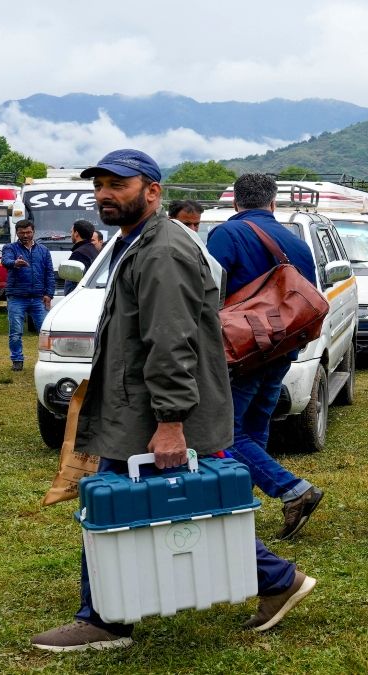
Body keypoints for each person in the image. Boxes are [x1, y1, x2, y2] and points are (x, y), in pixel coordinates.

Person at [30, 149, 315, 652]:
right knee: (177, 505)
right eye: (99, 185)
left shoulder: (162, 250)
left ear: (152, 191)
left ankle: (102, 619)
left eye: (118, 185)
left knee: (122, 502)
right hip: (135, 405)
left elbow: (171, 340)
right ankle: (274, 580)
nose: (105, 194)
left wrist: (170, 422)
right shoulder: (135, 243)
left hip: (150, 410)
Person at [206, 172, 325, 540]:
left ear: (235, 202)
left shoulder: (227, 234)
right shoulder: (296, 243)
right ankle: (240, 508)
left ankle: (293, 490)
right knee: (255, 428)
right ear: (273, 203)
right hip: (282, 350)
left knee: (223, 433)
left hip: (241, 352)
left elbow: (208, 290)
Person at [2, 219, 55, 371]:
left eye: (28, 232)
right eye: (22, 232)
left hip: (38, 298)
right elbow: (5, 261)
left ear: (33, 232)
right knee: (16, 332)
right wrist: (14, 263)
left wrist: (49, 294)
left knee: (45, 331)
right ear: (17, 233)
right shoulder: (10, 248)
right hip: (17, 297)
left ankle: (49, 358)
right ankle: (17, 360)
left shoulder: (43, 250)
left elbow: (49, 274)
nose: (25, 235)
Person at [63, 219, 99, 294]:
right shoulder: (94, 250)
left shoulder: (78, 254)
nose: (71, 234)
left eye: (71, 232)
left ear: (76, 234)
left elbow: (71, 285)